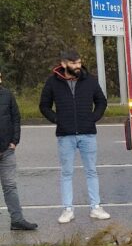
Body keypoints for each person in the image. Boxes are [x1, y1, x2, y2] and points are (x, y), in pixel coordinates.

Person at [40, 50, 110, 223]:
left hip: (88, 134)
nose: (78, 66)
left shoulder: (90, 80)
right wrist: (57, 120)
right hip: (65, 135)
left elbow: (101, 101)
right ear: (64, 64)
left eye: (79, 63)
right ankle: (67, 210)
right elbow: (44, 105)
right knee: (66, 172)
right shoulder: (52, 82)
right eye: (73, 63)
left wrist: (93, 118)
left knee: (91, 171)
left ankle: (96, 207)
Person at [0, 68, 37, 231]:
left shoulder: (7, 95)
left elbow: (16, 118)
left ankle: (17, 220)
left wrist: (14, 141)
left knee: (10, 186)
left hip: (7, 150)